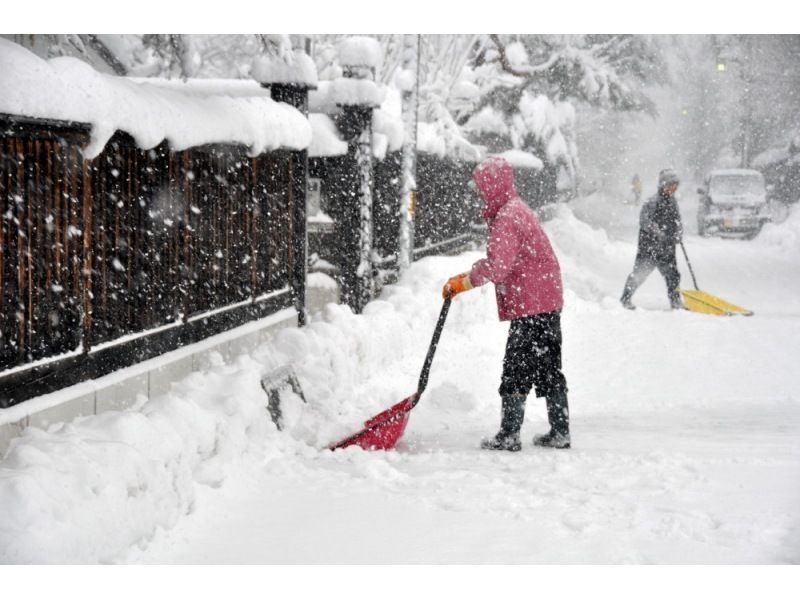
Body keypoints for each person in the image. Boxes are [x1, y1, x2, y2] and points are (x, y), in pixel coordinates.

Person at [442, 156, 570, 451]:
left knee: (517, 367)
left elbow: (498, 266)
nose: (479, 192)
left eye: (482, 187)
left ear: (493, 186)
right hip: (546, 299)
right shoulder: (517, 209)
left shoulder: (507, 218)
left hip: (532, 303)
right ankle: (560, 431)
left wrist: (465, 281)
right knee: (548, 366)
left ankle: (509, 434)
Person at [620, 168, 684, 310]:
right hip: (649, 247)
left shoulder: (673, 203)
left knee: (673, 275)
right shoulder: (652, 202)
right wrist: (657, 232)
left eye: (675, 185)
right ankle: (625, 299)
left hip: (667, 248)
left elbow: (677, 220)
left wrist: (678, 233)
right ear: (663, 185)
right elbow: (644, 221)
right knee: (639, 274)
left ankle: (676, 302)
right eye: (671, 185)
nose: (673, 188)